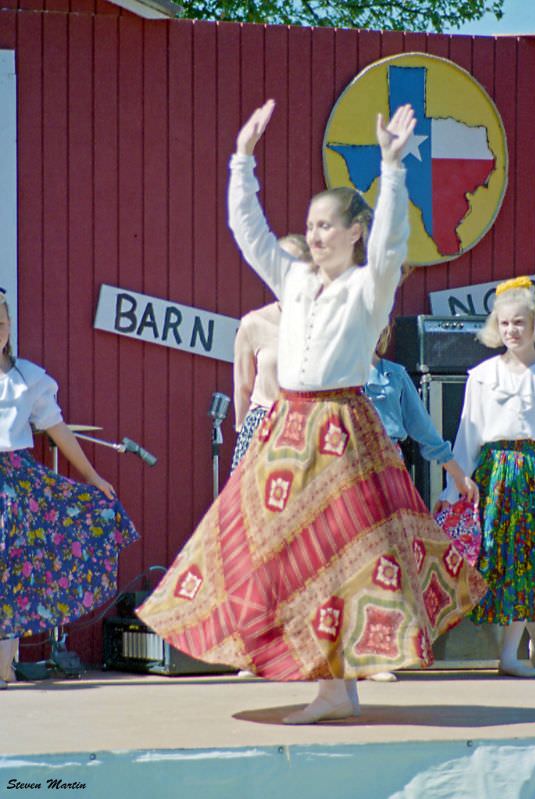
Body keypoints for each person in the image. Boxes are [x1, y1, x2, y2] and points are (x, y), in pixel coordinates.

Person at [137, 100, 486, 724]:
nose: (316, 235)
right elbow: (250, 234)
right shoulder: (295, 281)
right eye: (311, 225)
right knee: (263, 552)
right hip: (287, 433)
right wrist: (242, 160)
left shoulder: (367, 286)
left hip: (339, 430)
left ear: (355, 231)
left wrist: (392, 165)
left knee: (339, 555)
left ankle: (332, 689)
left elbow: (391, 244)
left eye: (328, 225)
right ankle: (337, 688)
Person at [441, 276, 535, 677]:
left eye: (520, 323)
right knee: (508, 562)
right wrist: (454, 484)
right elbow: (468, 434)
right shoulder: (482, 376)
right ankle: (509, 655)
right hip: (497, 478)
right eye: (505, 323)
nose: (512, 331)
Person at [0, 290, 139, 689]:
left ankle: (4, 670)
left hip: (20, 483)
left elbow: (57, 429)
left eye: (3, 325)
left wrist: (92, 478)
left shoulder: (27, 378)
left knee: (14, 571)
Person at [364, 322, 480, 682]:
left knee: (389, 561)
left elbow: (424, 429)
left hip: (388, 472)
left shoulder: (393, 375)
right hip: (344, 471)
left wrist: (457, 473)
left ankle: (379, 653)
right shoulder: (332, 376)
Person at [231, 235, 310, 471]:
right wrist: (247, 433)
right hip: (264, 431)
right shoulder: (253, 324)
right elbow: (243, 390)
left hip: (312, 432)